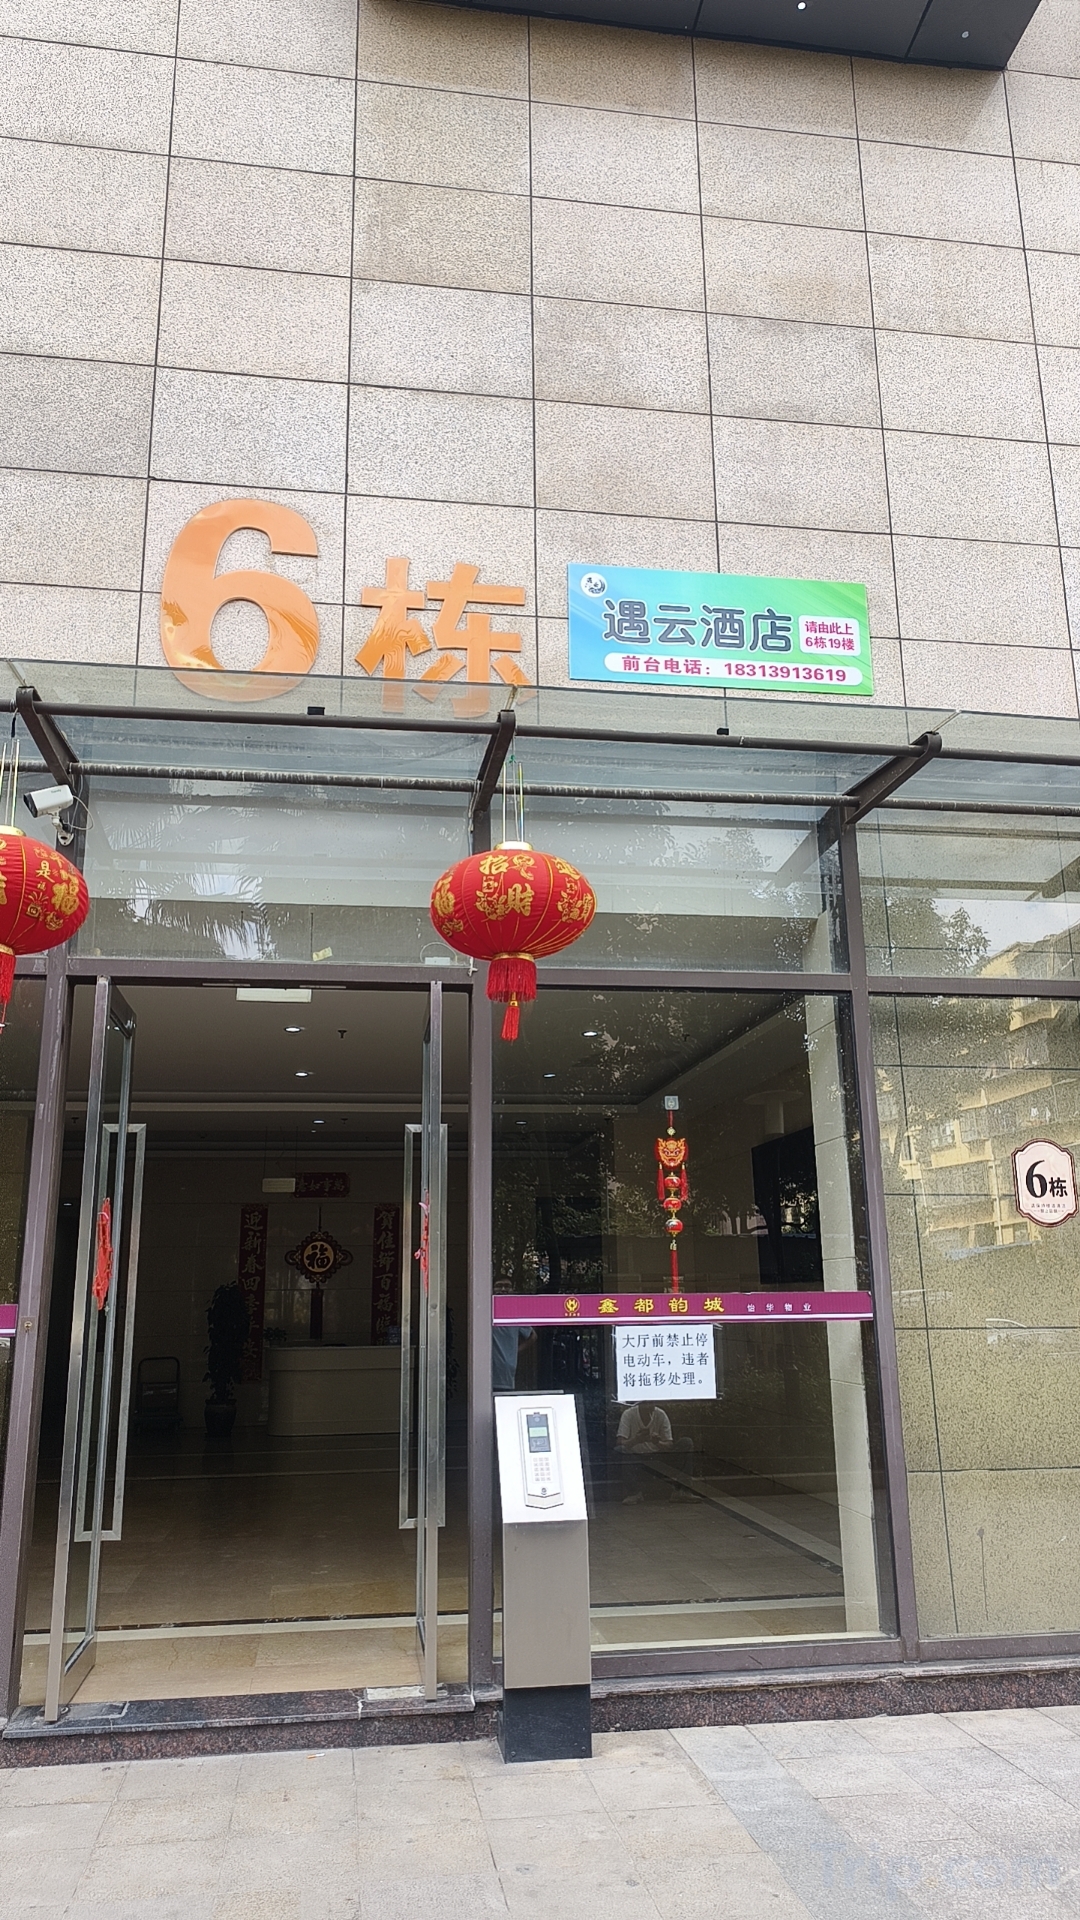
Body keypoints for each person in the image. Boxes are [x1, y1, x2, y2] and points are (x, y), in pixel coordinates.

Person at [615, 1401, 694, 1503]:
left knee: (686, 1443)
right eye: (645, 1404)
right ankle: (634, 1493)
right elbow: (620, 1443)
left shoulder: (661, 1414)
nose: (648, 1406)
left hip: (658, 1458)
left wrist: (657, 1442)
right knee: (620, 1450)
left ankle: (682, 1491)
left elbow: (669, 1444)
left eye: (650, 1403)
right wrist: (636, 1440)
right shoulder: (628, 1414)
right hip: (636, 1459)